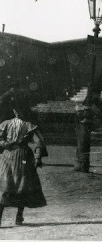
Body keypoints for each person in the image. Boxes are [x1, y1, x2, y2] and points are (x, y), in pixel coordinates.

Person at [0, 92, 47, 226]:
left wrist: (37, 157)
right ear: (13, 110)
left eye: (19, 109)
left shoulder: (29, 125)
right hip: (7, 157)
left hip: (23, 157)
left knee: (23, 186)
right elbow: (0, 138)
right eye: (15, 109)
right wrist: (4, 144)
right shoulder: (6, 124)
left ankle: (19, 216)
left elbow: (39, 142)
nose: (17, 112)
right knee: (4, 186)